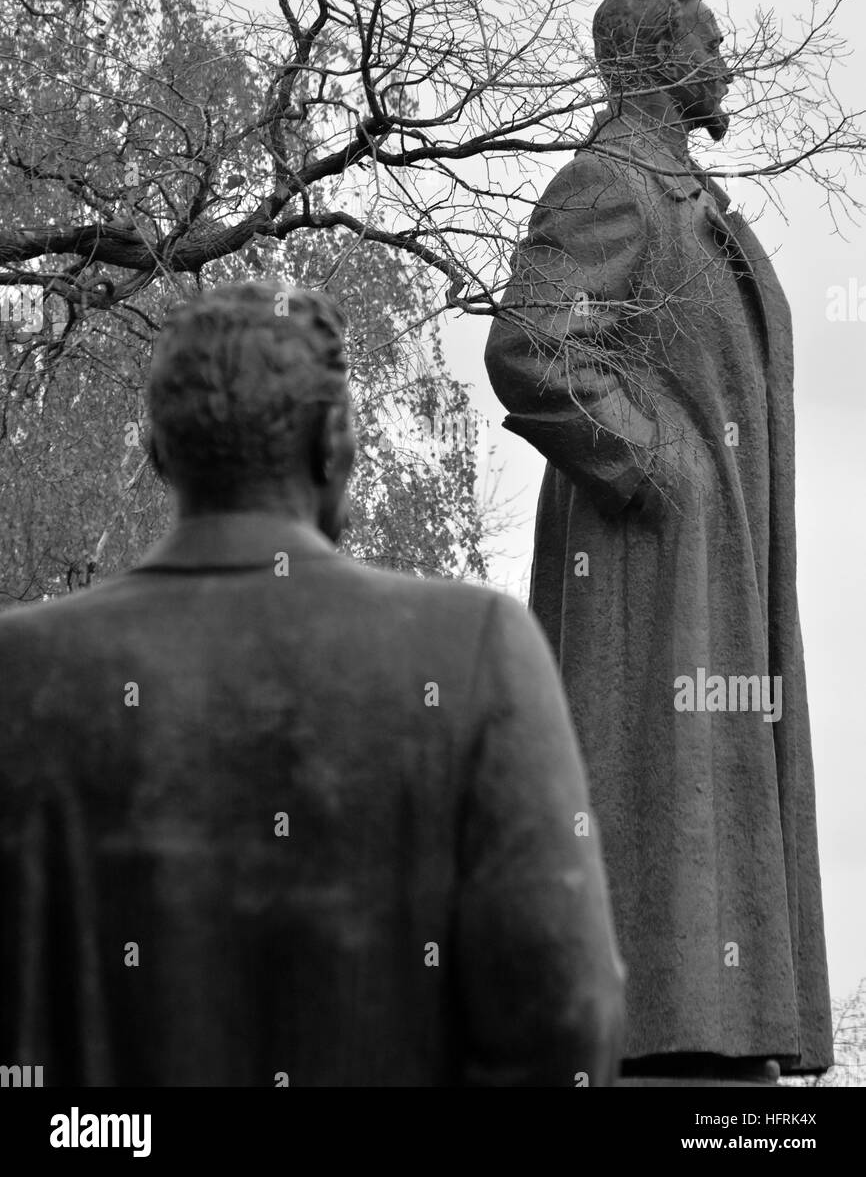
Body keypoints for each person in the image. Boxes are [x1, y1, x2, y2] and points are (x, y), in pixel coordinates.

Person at [0, 280, 624, 1087]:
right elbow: (569, 1019)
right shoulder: (474, 648)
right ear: (332, 442)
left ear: (160, 449)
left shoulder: (21, 669)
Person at [485, 0, 833, 1085]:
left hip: (714, 570)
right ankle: (676, 1024)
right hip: (647, 573)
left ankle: (724, 1023)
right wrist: (653, 461)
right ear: (651, 58)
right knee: (661, 789)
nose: (728, 58)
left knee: (711, 793)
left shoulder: (686, 194)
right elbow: (530, 346)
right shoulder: (610, 183)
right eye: (710, 39)